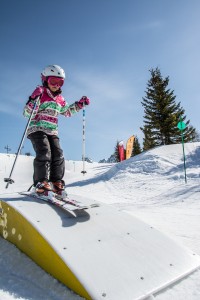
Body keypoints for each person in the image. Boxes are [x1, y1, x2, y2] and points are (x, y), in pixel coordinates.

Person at [23, 64, 90, 196]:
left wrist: (79, 105)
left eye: (60, 82)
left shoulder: (60, 99)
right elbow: (26, 113)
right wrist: (32, 98)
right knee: (44, 151)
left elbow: (67, 112)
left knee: (58, 154)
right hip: (36, 129)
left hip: (52, 130)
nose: (56, 85)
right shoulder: (40, 94)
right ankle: (41, 182)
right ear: (45, 80)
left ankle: (56, 182)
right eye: (53, 81)